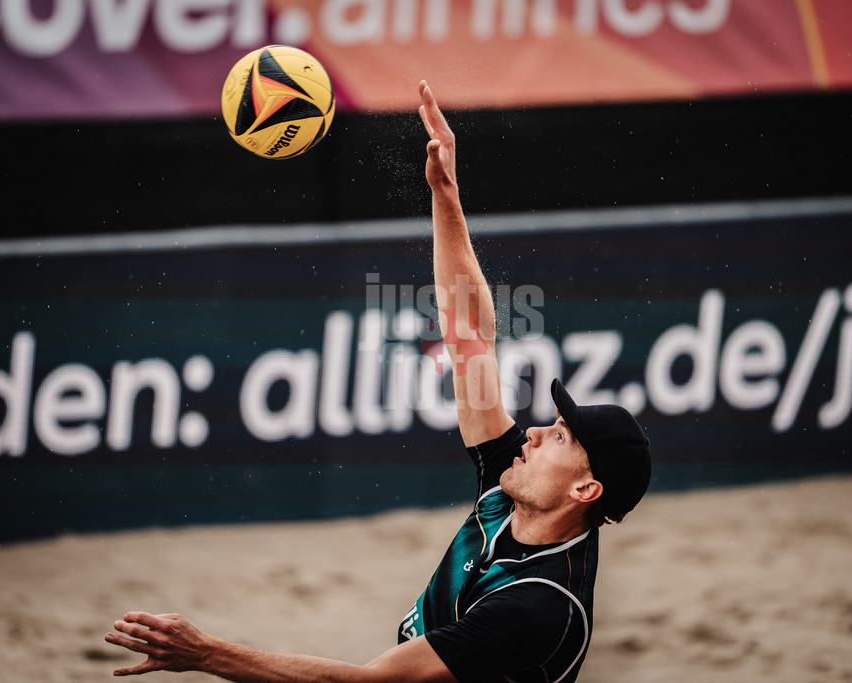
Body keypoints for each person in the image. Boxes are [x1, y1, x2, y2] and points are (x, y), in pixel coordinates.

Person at [104, 80, 652, 682]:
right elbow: (469, 335)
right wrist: (445, 193)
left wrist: (206, 654)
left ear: (584, 492)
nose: (534, 434)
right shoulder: (509, 490)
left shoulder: (540, 604)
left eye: (560, 438)